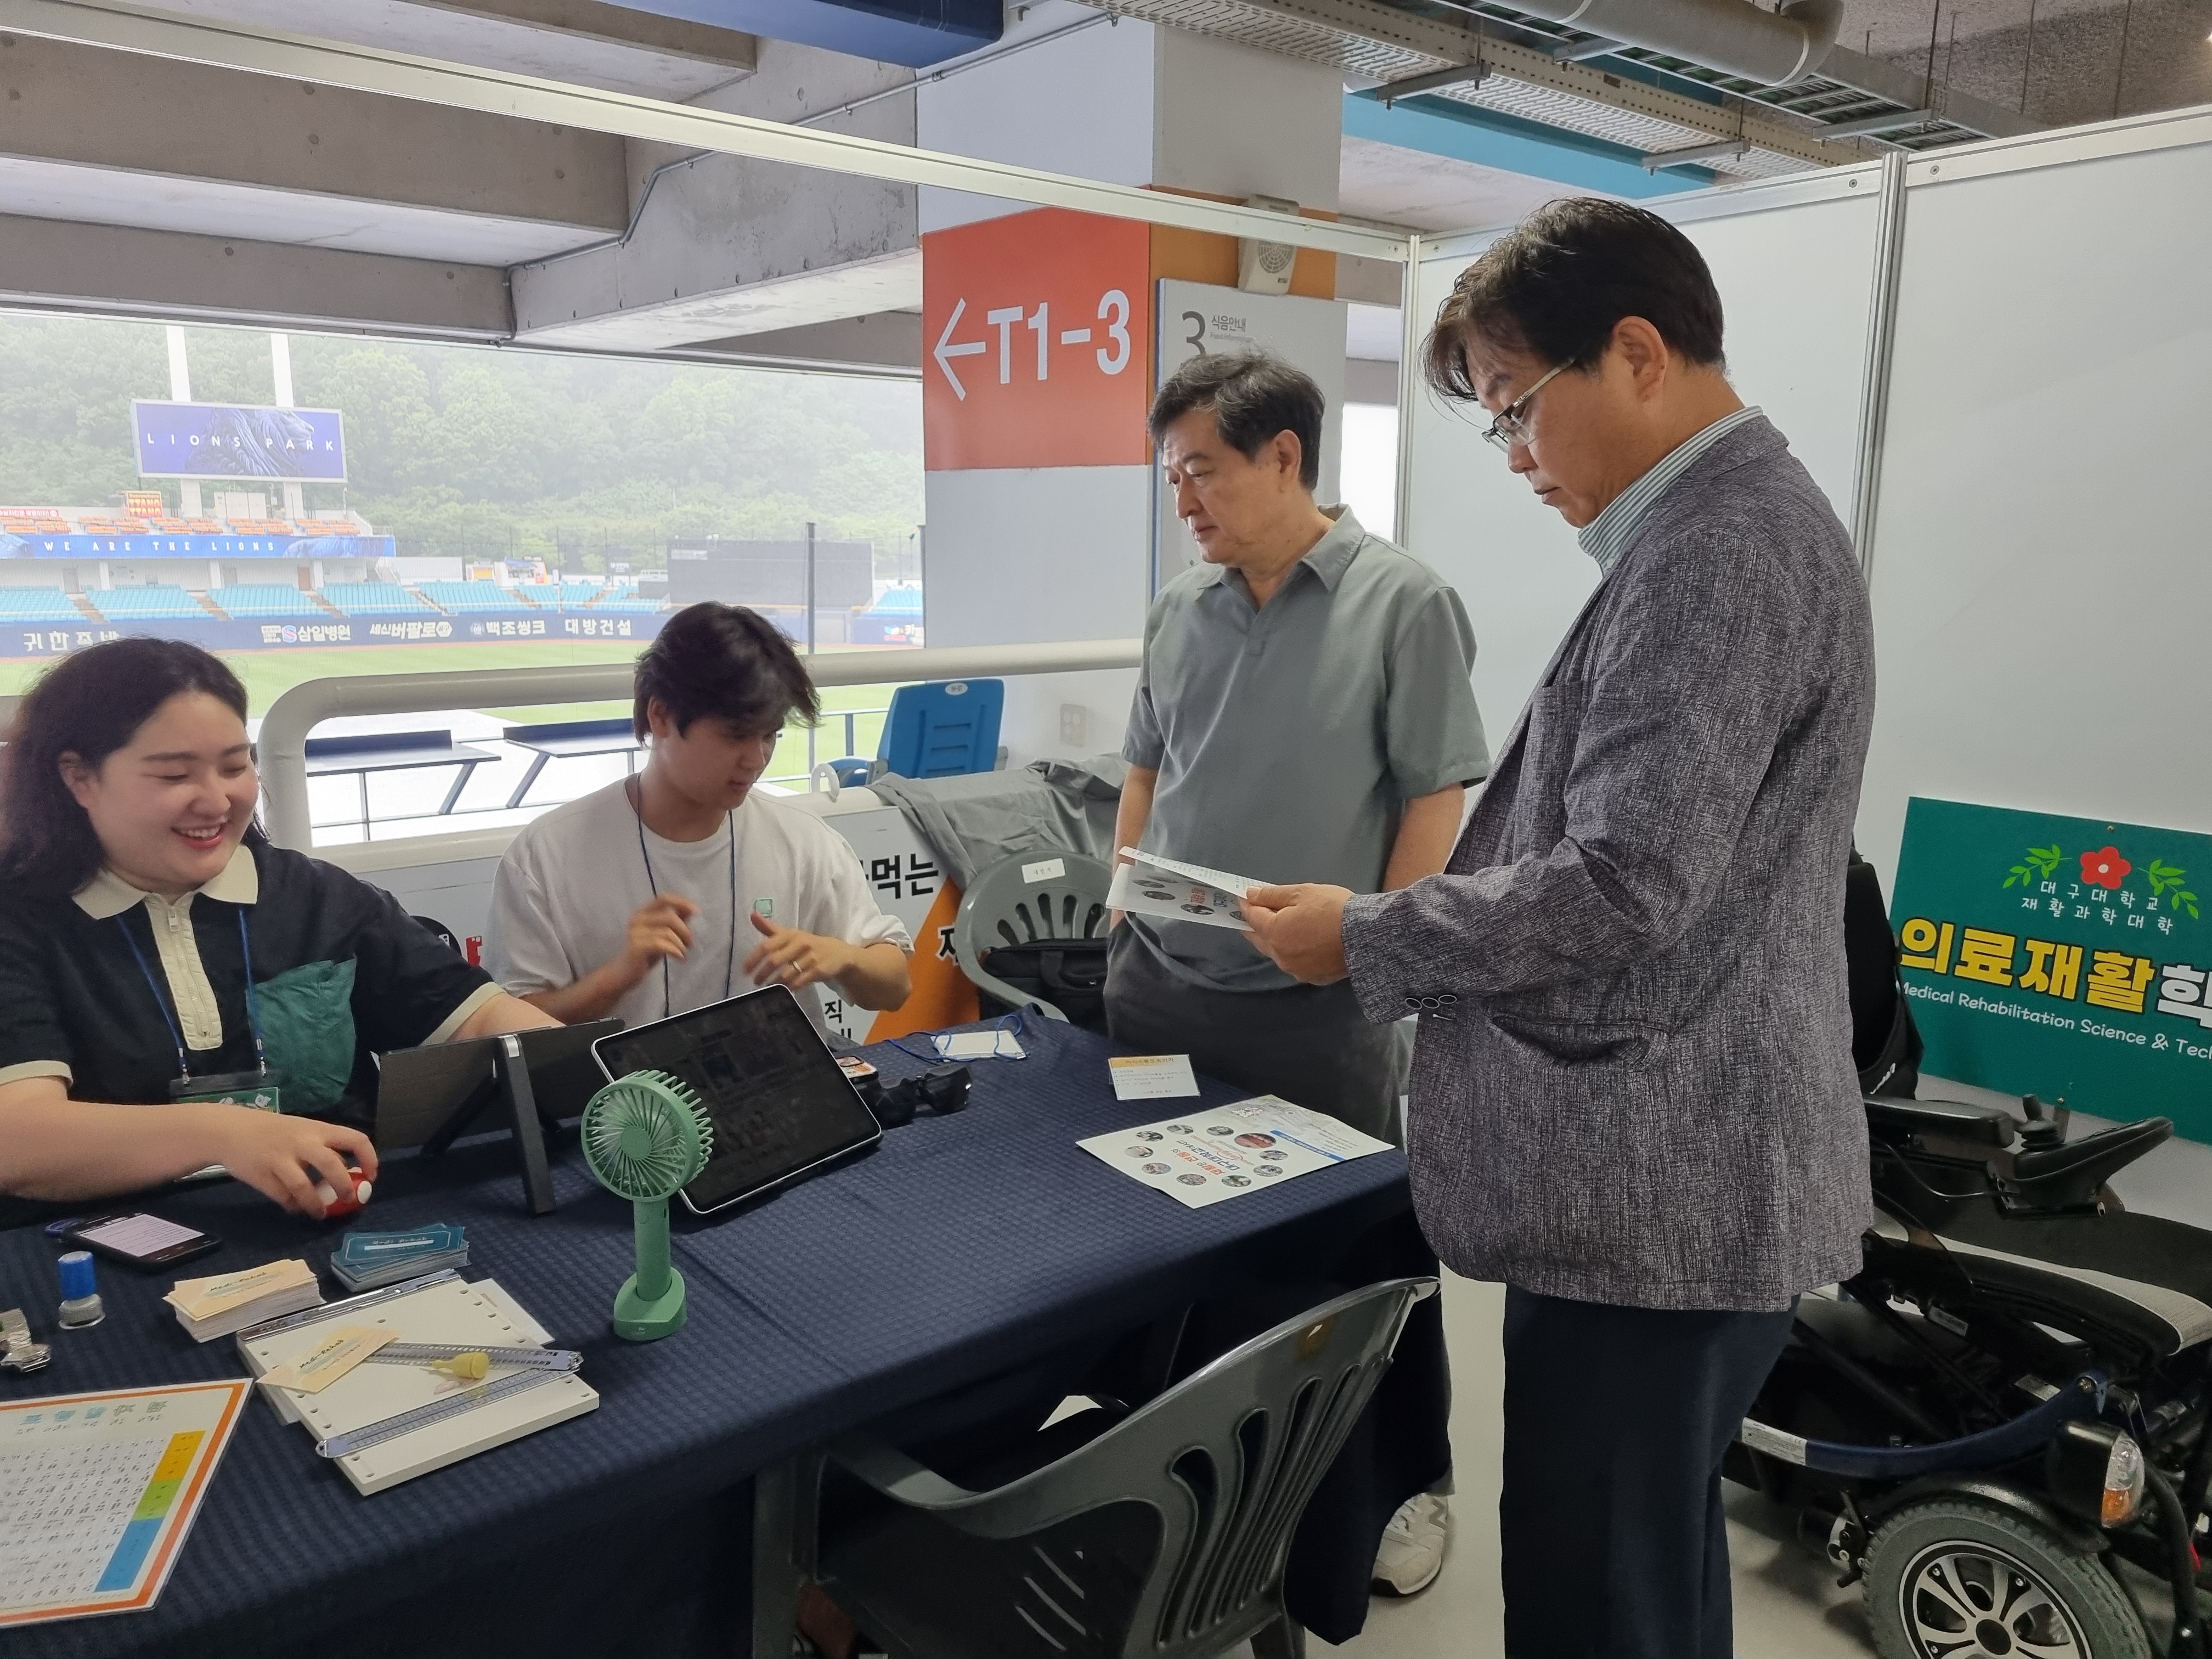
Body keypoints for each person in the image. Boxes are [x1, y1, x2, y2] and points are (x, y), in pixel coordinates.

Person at [1243, 199, 1876, 1658]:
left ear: (1638, 354)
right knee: (1650, 1576)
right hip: (1682, 1176)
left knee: (1599, 1599)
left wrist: (1371, 936)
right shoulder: (1731, 526)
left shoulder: (1718, 549)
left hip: (1661, 1190)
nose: (1517, 455)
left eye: (1517, 407)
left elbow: (1625, 881)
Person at [1110, 350, 1488, 1597]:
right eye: (1173, 476)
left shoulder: (1404, 603)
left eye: (1201, 471)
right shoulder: (1179, 608)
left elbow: (1434, 797)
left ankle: (1400, 1487)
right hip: (1158, 988)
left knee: (1355, 1259)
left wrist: (1381, 948)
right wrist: (1120, 897)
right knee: (1167, 1235)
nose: (1183, 500)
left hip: (1318, 1009)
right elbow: (1147, 771)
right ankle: (1197, 1478)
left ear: (1285, 457)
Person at [0, 637, 558, 1222]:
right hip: (94, 1244)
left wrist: (596, 1074)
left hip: (337, 1222)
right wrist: (222, 1134)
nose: (216, 800)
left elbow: (483, 1019)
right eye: (174, 775)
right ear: (79, 779)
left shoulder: (321, 898)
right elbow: (19, 1137)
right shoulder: (22, 923)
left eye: (235, 766)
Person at [487, 601, 911, 1037]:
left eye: (770, 735)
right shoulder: (547, 856)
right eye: (735, 736)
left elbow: (895, 987)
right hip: (624, 1083)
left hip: (782, 1077)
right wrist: (617, 977)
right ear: (661, 716)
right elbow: (511, 1034)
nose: (757, 759)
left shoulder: (801, 839)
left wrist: (846, 957)